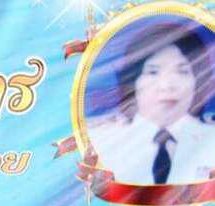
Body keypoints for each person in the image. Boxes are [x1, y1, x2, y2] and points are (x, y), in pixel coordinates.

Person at [88, 23, 215, 184]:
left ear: (198, 80)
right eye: (153, 72)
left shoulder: (211, 139)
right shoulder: (100, 141)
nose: (167, 86)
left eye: (182, 71)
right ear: (133, 82)